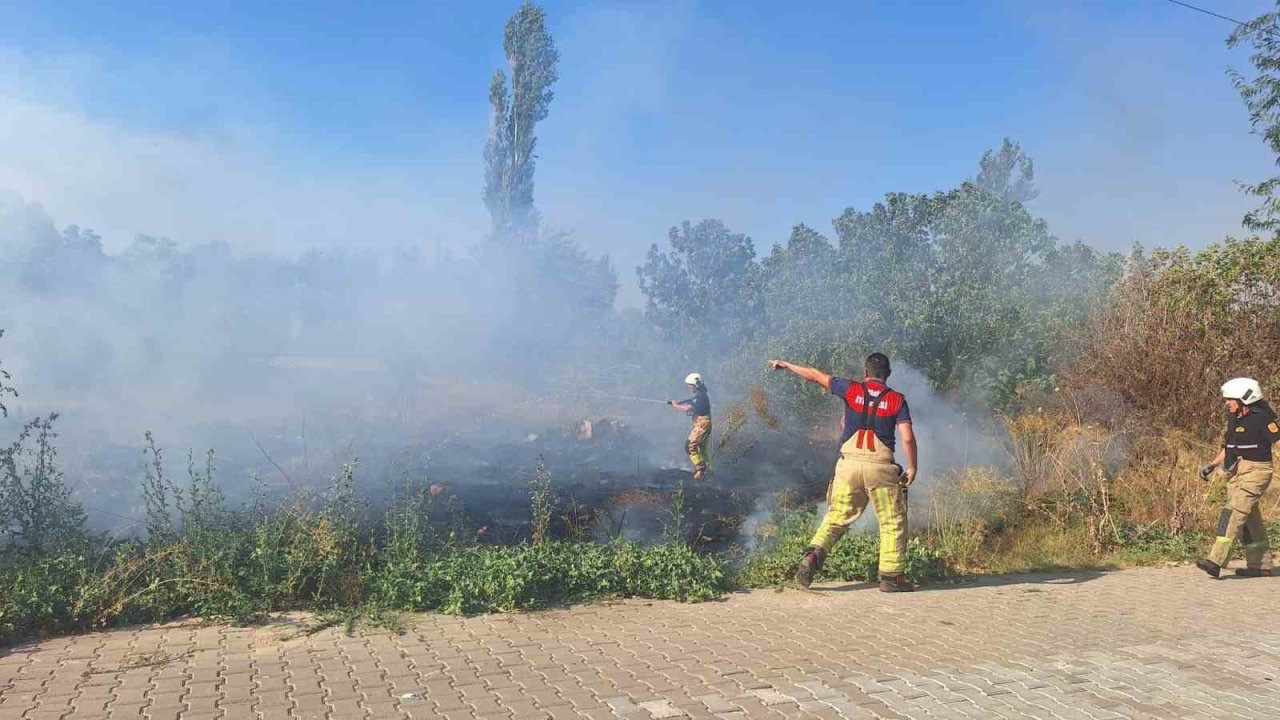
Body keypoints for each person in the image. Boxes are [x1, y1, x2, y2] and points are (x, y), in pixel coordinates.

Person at [769, 353, 918, 592]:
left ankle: (812, 556)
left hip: (848, 467)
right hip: (880, 469)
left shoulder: (851, 389)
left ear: (865, 372)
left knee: (837, 516)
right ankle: (891, 578)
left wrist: (786, 364)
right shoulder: (897, 400)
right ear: (888, 374)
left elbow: (815, 375)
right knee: (892, 521)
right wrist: (912, 467)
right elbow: (907, 438)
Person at [1196, 377, 1278, 578]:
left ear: (1245, 399)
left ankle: (1215, 561)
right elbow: (1229, 447)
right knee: (1250, 520)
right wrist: (1212, 465)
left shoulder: (1263, 418)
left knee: (1233, 513)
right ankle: (1261, 565)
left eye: (1231, 399)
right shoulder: (1234, 418)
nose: (1227, 403)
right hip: (1235, 472)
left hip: (1256, 472)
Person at [667, 373, 712, 480]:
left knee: (690, 446)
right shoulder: (701, 395)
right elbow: (690, 403)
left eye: (690, 385)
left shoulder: (701, 397)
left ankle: (700, 470)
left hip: (702, 424)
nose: (689, 388)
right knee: (701, 448)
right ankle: (708, 470)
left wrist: (675, 405)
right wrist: (679, 402)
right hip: (704, 423)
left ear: (696, 385)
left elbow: (687, 408)